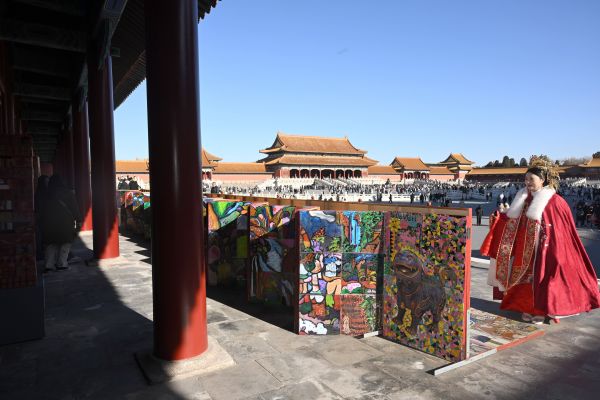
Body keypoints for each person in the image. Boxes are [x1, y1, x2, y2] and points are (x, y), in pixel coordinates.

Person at [481, 156, 600, 324]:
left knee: (542, 278)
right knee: (523, 280)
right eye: (526, 179)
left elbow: (562, 230)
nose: (527, 182)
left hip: (544, 248)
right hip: (523, 247)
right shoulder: (522, 199)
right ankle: (525, 307)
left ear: (542, 180)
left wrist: (549, 241)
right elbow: (512, 222)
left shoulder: (555, 201)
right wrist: (500, 217)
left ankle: (541, 310)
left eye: (531, 179)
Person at [40, 175, 82, 272]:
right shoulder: (68, 193)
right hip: (65, 223)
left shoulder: (46, 194)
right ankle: (62, 264)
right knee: (65, 244)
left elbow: (41, 210)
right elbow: (74, 208)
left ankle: (49, 265)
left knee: (51, 244)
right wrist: (78, 220)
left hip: (49, 224)